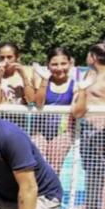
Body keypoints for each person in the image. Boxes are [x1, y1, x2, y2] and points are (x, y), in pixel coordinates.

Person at [71, 41, 105, 209]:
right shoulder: (90, 74)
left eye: (89, 54)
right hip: (88, 129)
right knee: (91, 168)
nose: (86, 57)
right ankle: (89, 203)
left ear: (94, 57)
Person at [30, 47, 76, 175]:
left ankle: (52, 194)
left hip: (63, 132)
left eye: (63, 63)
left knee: (54, 168)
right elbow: (39, 104)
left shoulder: (75, 84)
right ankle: (36, 194)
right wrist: (44, 79)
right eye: (54, 64)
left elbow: (78, 111)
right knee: (36, 166)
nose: (59, 68)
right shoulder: (43, 80)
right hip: (39, 132)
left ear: (70, 64)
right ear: (48, 65)